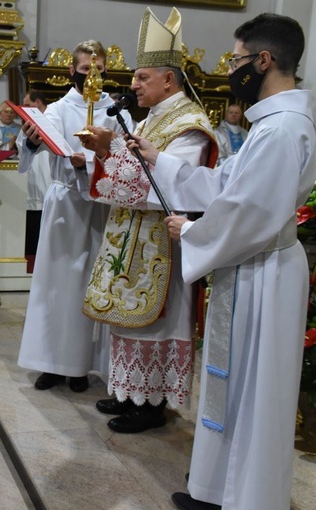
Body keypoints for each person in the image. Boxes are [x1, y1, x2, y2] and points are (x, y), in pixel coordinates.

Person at [127, 14, 316, 510]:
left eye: (235, 60)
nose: (230, 70)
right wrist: (160, 161)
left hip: (266, 273)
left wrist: (192, 231)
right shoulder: (271, 124)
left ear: (263, 60)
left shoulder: (282, 131)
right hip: (251, 268)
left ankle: (248, 499)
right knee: (234, 386)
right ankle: (216, 489)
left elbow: (252, 214)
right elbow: (228, 185)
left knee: (256, 392)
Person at [79, 7, 218, 433]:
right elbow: (135, 164)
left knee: (157, 322)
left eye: (141, 78)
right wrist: (109, 150)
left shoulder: (189, 125)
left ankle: (152, 403)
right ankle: (129, 391)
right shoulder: (155, 116)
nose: (133, 85)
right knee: (127, 317)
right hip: (133, 235)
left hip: (162, 242)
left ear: (168, 80)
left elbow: (177, 186)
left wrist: (111, 149)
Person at [17, 41, 132, 393]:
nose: (91, 78)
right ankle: (51, 364)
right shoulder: (58, 109)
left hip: (101, 208)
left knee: (89, 287)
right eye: (85, 72)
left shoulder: (116, 111)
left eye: (98, 71)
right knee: (55, 286)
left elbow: (127, 156)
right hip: (65, 206)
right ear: (72, 72)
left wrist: (93, 162)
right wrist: (32, 141)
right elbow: (33, 148)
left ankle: (80, 366)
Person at [18, 89, 51, 271]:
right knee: (32, 231)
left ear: (38, 103)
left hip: (49, 183)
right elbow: (20, 149)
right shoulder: (27, 126)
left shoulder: (54, 120)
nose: (26, 109)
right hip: (32, 188)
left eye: (28, 105)